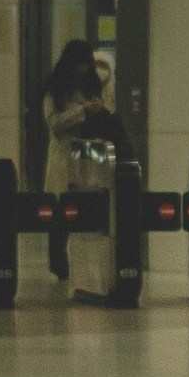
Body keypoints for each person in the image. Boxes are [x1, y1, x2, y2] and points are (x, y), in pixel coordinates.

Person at [39, 38, 110, 283]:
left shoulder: (91, 86)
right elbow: (55, 124)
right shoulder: (55, 91)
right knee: (60, 215)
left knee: (84, 211)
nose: (84, 69)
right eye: (80, 64)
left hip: (87, 158)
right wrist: (82, 112)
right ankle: (59, 265)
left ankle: (82, 263)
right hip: (63, 158)